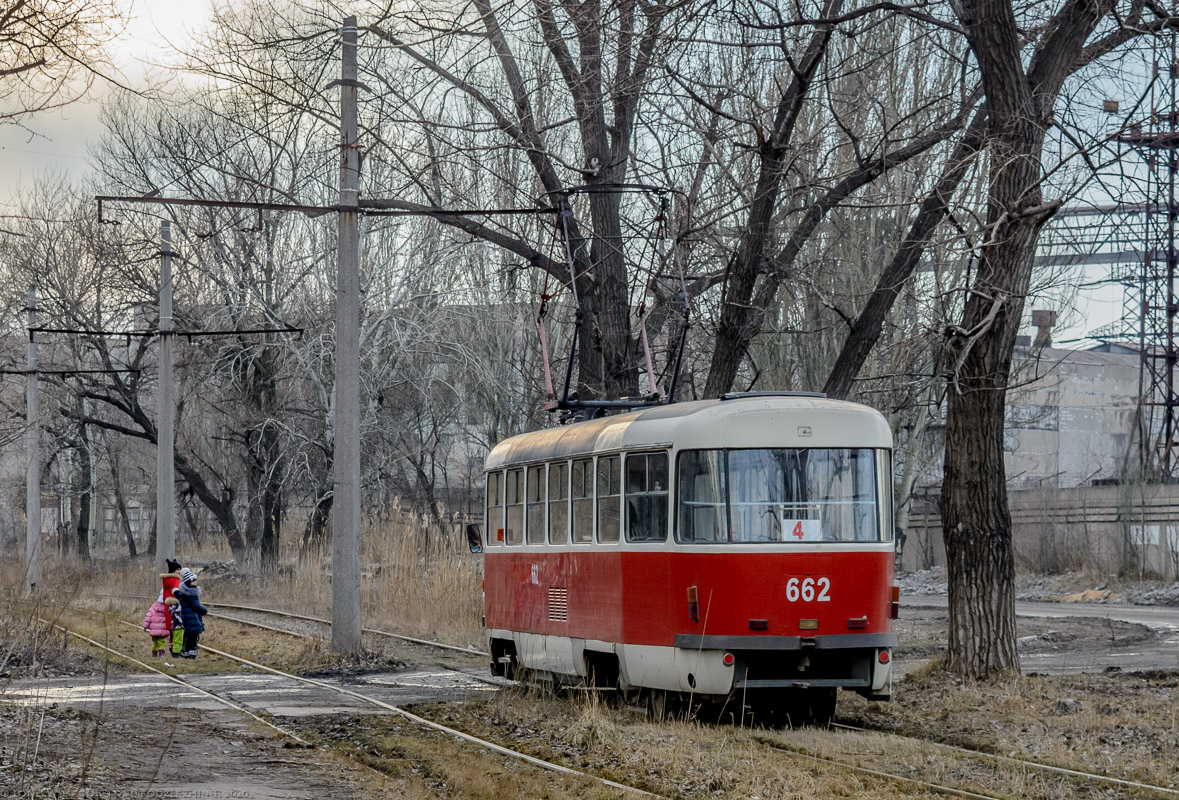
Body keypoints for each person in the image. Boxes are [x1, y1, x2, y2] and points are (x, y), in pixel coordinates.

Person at [174, 568, 207, 659]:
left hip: (187, 617)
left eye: (195, 580)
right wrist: (203, 611)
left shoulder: (184, 593)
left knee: (189, 636)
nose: (195, 582)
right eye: (193, 581)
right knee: (193, 637)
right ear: (189, 582)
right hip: (193, 617)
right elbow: (195, 605)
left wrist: (175, 592)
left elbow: (178, 595)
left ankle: (187, 653)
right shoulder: (192, 593)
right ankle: (192, 655)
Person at [160, 559, 184, 656]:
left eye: (179, 569)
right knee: (177, 627)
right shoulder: (175, 580)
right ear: (172, 570)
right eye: (177, 569)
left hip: (168, 606)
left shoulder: (167, 580)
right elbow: (178, 593)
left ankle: (171, 646)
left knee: (171, 627)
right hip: (175, 605)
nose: (179, 571)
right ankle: (176, 649)